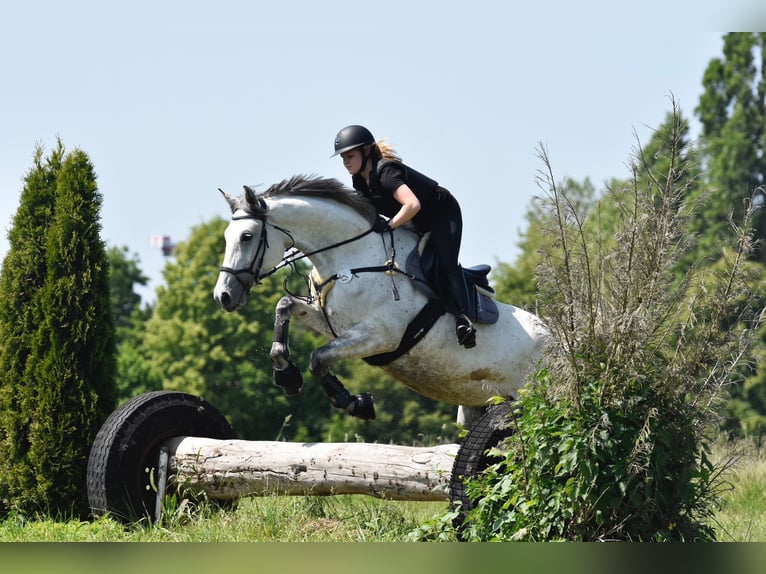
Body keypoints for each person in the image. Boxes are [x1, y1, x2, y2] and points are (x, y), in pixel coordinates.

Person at [331, 124, 477, 349]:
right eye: (343, 158)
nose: (346, 162)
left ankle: (464, 320)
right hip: (416, 220)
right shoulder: (359, 181)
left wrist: (389, 225)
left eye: (350, 156)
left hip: (443, 214)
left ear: (366, 151)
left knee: (445, 264)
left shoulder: (385, 172)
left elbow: (412, 204)